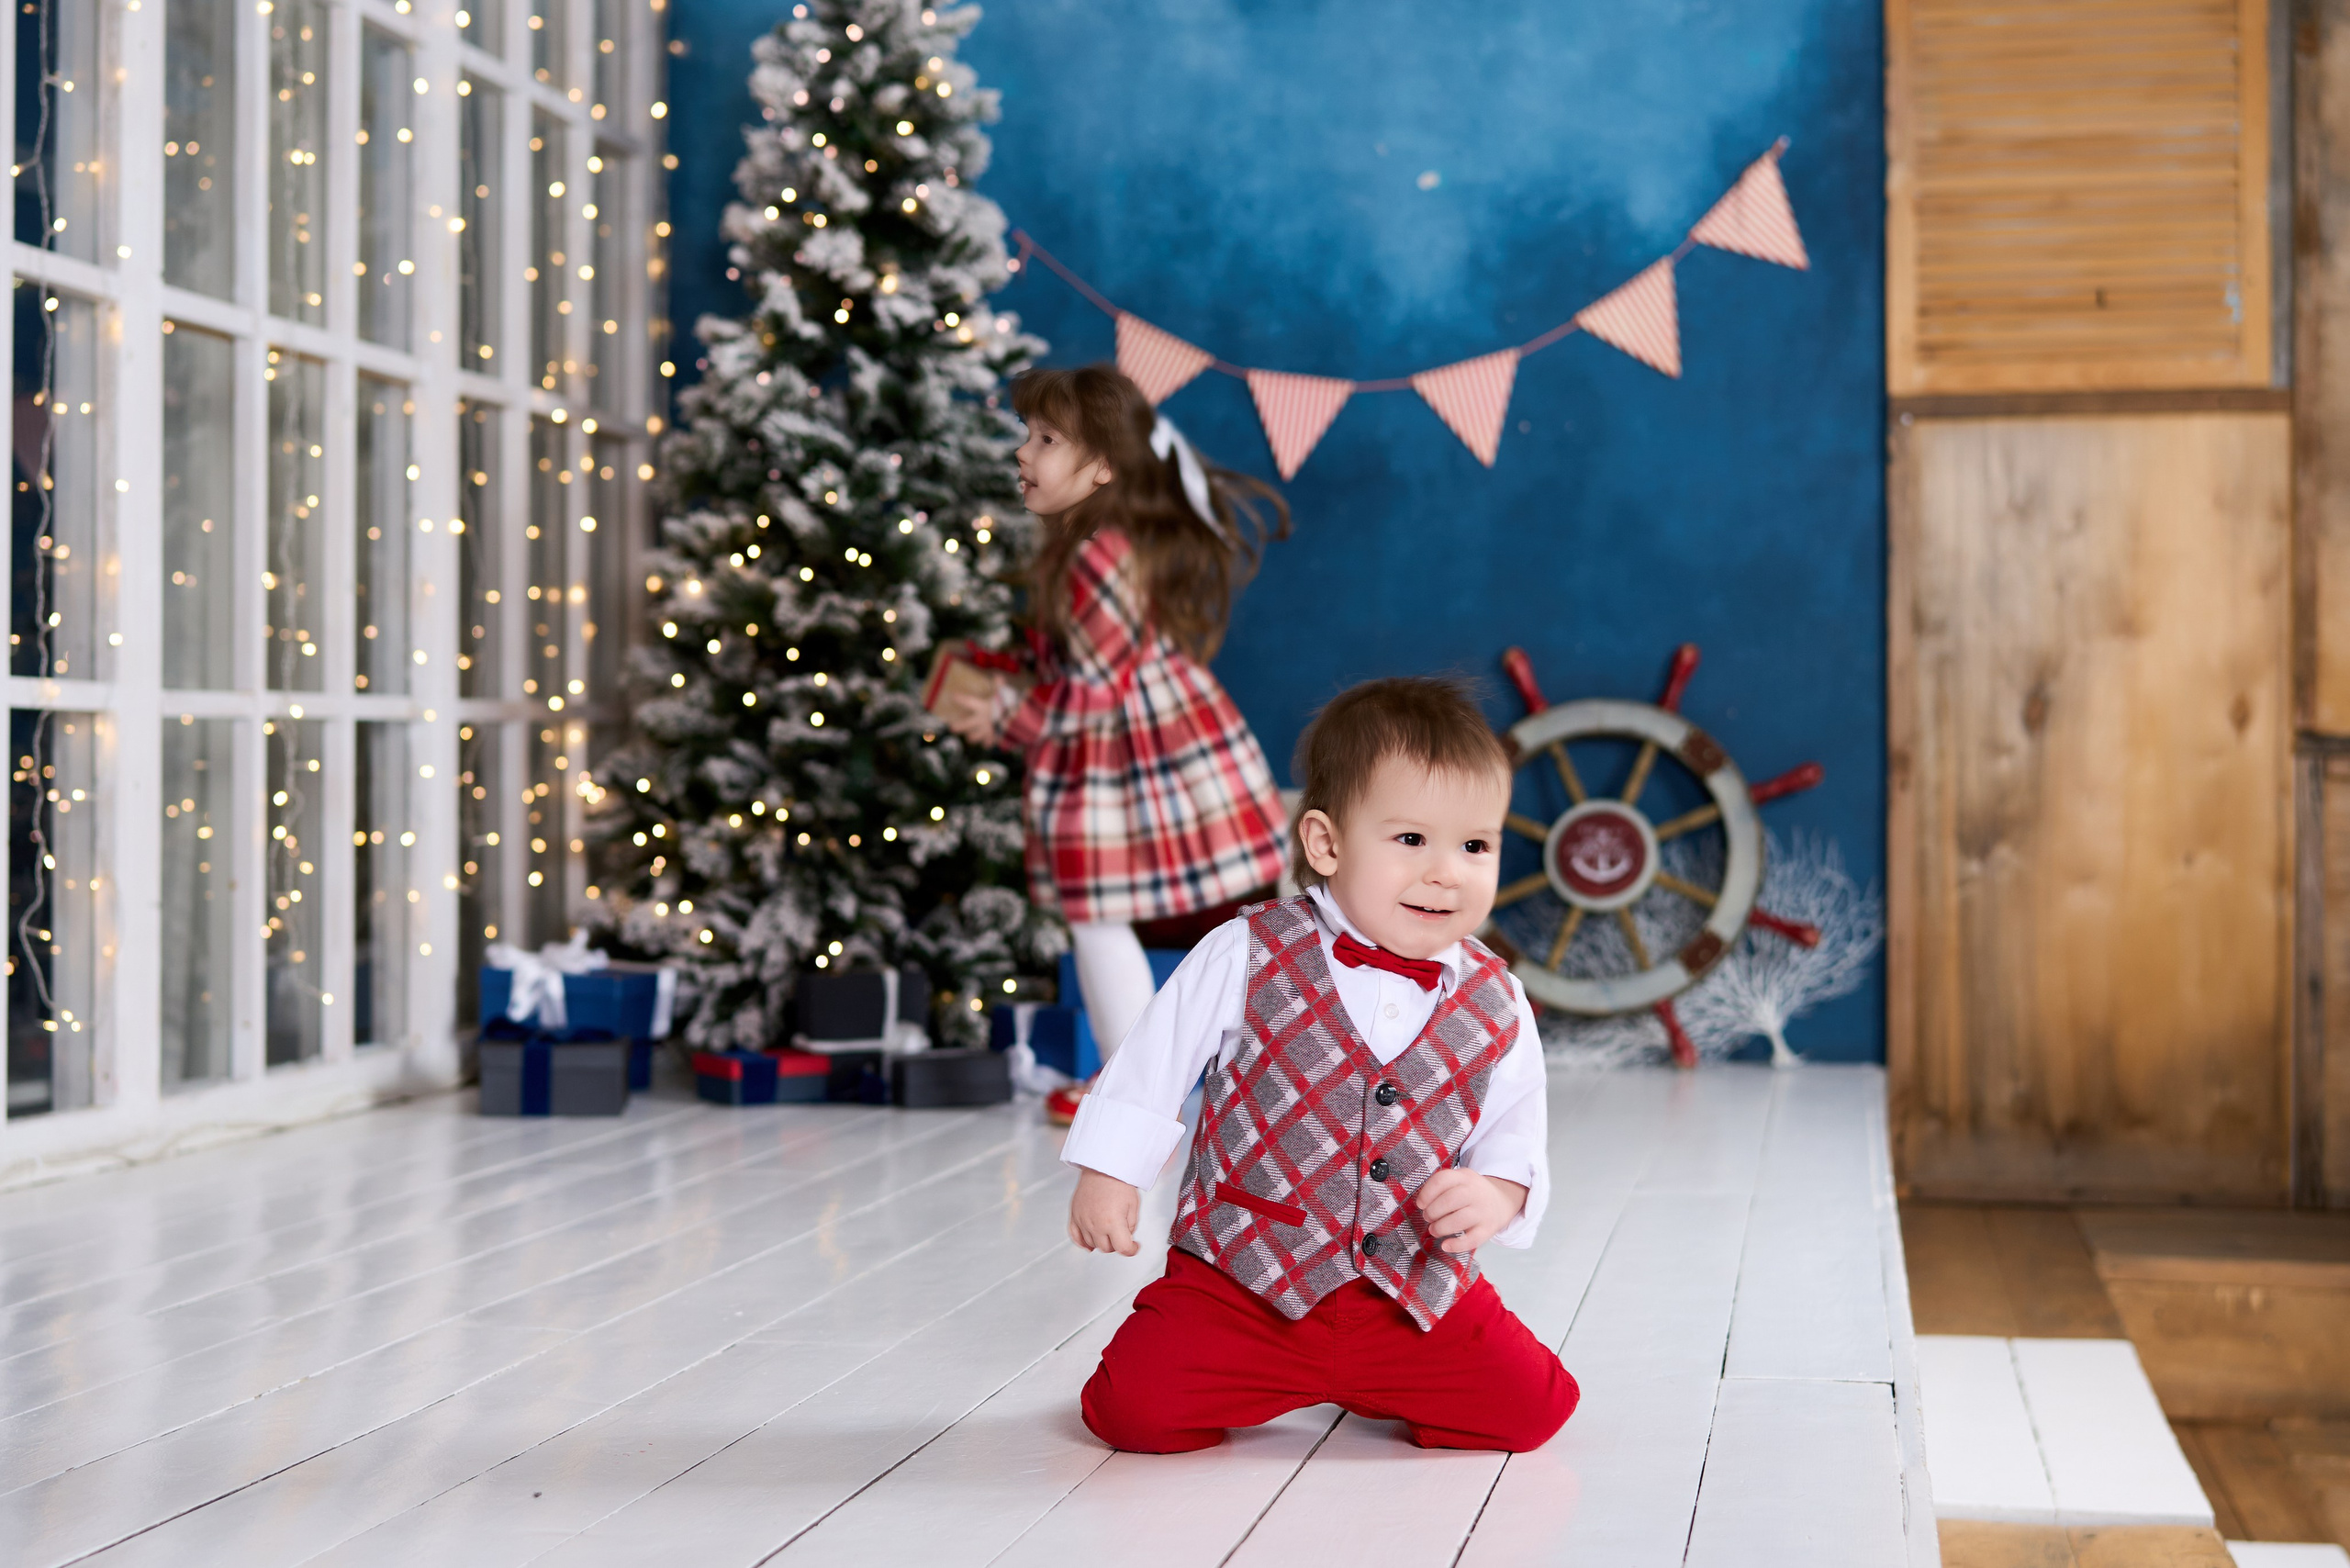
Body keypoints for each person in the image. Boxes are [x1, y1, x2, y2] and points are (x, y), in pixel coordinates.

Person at [1058, 677, 1579, 1454]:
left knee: (1533, 1409)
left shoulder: (1497, 998)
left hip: (1410, 1291)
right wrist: (1110, 1173)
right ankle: (1270, 1372)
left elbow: (1515, 1126)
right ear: (1326, 844)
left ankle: (1378, 1379)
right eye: (1411, 840)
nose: (1447, 872)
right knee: (1130, 1413)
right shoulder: (1248, 950)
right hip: (1244, 1282)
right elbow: (1153, 1060)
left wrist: (1498, 1192)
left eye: (1475, 845)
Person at [940, 364, 1291, 1125]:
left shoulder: (1096, 555)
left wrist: (1005, 716)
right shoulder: (1098, 544)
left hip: (1126, 760)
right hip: (1136, 749)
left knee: (1097, 916)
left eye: (1046, 439)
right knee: (1101, 918)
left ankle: (1137, 1091)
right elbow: (1084, 666)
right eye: (1026, 436)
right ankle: (1139, 1081)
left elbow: (1092, 692)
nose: (1023, 454)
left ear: (1102, 465)